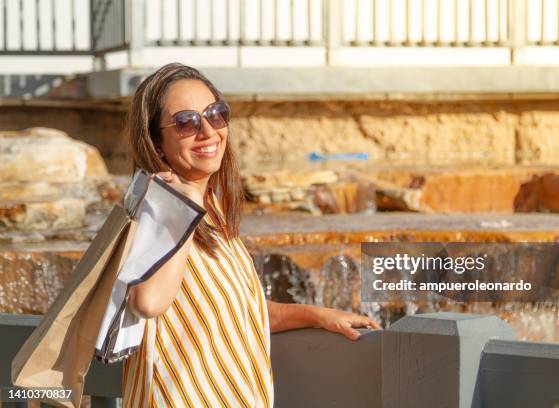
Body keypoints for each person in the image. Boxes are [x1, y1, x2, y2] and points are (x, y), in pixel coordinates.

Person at [121, 62, 381, 407]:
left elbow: (241, 308)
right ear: (156, 141)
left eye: (215, 114)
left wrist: (317, 315)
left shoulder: (212, 212)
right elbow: (148, 302)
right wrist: (186, 206)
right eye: (186, 122)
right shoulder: (157, 209)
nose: (208, 131)